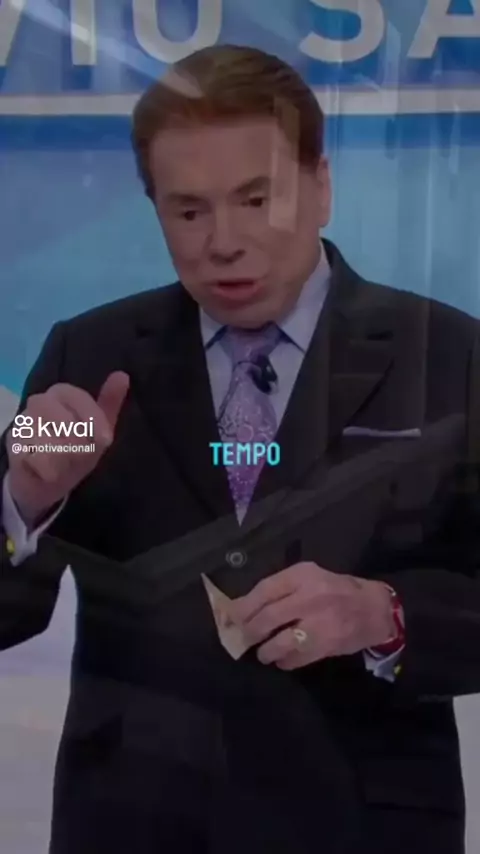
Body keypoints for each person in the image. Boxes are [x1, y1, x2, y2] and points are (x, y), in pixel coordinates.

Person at [1, 43, 480, 854]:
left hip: (362, 826)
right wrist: (23, 501)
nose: (224, 242)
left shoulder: (451, 356)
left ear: (322, 186)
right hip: (132, 826)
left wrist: (385, 616)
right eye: (189, 212)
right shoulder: (88, 356)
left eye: (258, 200)